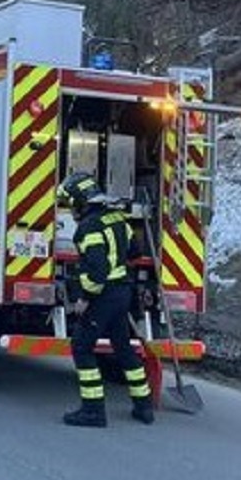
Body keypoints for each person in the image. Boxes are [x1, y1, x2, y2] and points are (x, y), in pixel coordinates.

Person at [58, 171, 154, 427]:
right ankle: (144, 407)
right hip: (123, 293)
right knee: (123, 348)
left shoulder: (87, 228)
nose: (71, 210)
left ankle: (93, 411)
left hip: (103, 296)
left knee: (81, 347)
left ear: (80, 202)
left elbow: (98, 271)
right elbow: (135, 251)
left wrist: (85, 298)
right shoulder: (118, 218)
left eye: (70, 204)